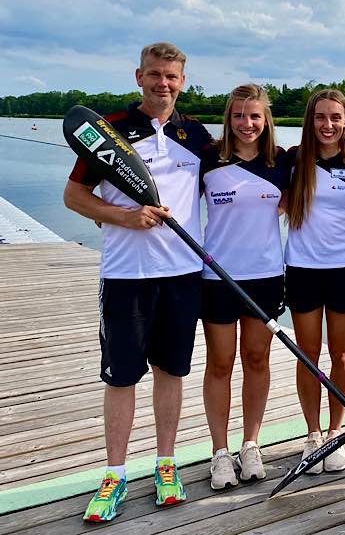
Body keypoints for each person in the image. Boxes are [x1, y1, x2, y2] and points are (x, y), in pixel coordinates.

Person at [63, 42, 212, 521]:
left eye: (171, 76)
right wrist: (124, 218)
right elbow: (73, 197)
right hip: (127, 275)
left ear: (182, 81)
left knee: (172, 372)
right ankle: (115, 474)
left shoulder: (197, 136)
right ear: (138, 76)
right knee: (122, 376)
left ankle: (165, 465)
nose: (162, 84)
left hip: (183, 276)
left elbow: (246, 168)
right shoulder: (107, 132)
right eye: (154, 75)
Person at [200, 84, 290, 490]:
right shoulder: (208, 159)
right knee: (220, 362)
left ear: (265, 119)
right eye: (239, 115)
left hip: (265, 276)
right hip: (218, 276)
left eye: (255, 116)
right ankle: (220, 451)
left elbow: (329, 170)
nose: (247, 124)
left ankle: (250, 443)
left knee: (256, 359)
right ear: (228, 118)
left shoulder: (282, 162)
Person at [284, 89, 345, 474]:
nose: (328, 125)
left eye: (335, 118)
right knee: (308, 356)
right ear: (311, 121)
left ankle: (336, 433)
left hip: (343, 270)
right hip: (301, 269)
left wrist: (341, 236)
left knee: (340, 355)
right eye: (320, 117)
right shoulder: (293, 159)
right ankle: (313, 434)